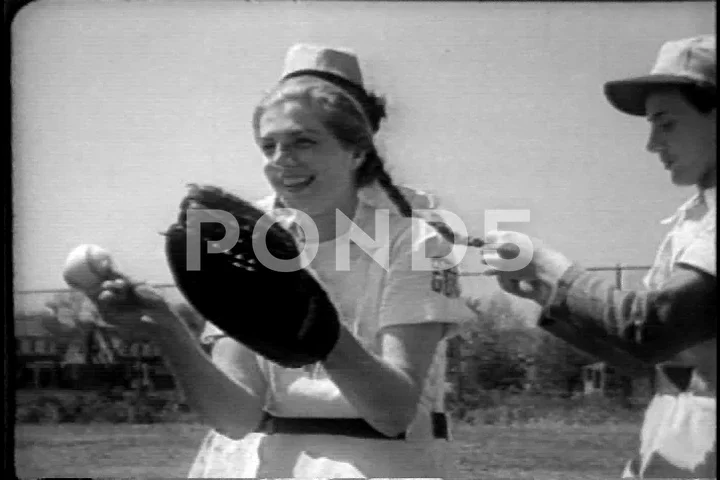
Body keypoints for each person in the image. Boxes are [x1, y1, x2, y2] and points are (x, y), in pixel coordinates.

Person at [92, 43, 475, 478]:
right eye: (268, 145)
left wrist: (315, 326)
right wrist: (164, 327)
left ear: (357, 151)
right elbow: (236, 417)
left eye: (303, 142)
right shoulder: (247, 239)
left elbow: (392, 413)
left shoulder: (415, 241)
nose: (280, 161)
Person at [483, 34, 716, 479]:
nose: (651, 144)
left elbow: (649, 327)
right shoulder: (696, 217)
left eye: (666, 123)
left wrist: (553, 268)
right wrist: (544, 294)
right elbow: (644, 358)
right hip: (677, 447)